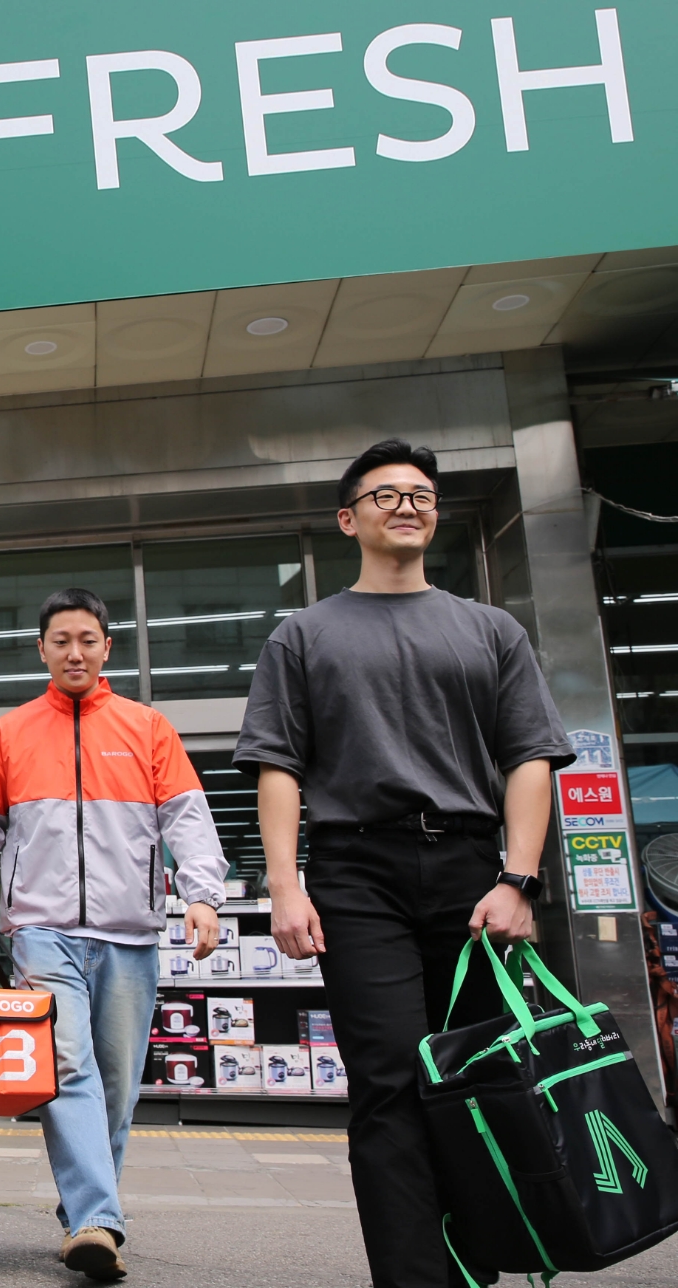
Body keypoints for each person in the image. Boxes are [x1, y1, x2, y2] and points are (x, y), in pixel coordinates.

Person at [234, 439, 573, 1288]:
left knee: (484, 1071)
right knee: (388, 1082)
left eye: (421, 493)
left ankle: (486, 1254)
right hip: (356, 873)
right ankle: (417, 1277)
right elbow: (278, 765)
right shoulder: (303, 635)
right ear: (348, 519)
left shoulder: (490, 628)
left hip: (471, 871)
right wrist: (286, 885)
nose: (408, 505)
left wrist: (518, 878)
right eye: (386, 495)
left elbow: (528, 757)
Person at [0, 587, 226, 1282]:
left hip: (130, 934)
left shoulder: (148, 728)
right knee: (67, 1068)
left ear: (107, 648)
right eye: (60, 641)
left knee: (116, 1086)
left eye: (87, 639)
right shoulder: (11, 732)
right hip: (40, 930)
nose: (74, 652)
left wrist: (201, 896)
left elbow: (187, 821)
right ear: (41, 650)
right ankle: (98, 1221)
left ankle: (83, 1206)